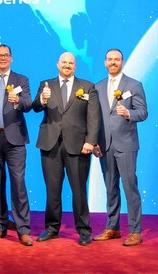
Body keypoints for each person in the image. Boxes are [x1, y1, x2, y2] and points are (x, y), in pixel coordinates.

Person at [32, 52, 100, 246]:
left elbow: (94, 117)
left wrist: (91, 141)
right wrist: (43, 99)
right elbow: (36, 107)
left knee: (79, 190)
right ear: (57, 64)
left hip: (78, 146)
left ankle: (84, 230)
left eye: (71, 63)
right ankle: (52, 228)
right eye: (64, 62)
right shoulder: (46, 85)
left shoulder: (87, 86)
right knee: (52, 190)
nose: (67, 65)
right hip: (50, 144)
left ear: (75, 66)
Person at [0, 44, 34, 246]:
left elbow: (28, 105)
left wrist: (17, 100)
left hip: (15, 140)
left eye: (6, 55)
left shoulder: (21, 80)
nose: (2, 58)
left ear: (11, 58)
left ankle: (23, 229)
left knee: (18, 183)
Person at [93, 49, 148, 246]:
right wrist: (95, 142)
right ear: (105, 62)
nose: (113, 62)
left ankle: (135, 231)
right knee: (110, 188)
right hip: (104, 145)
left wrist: (129, 114)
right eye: (110, 59)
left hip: (126, 144)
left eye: (116, 60)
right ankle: (112, 228)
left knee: (129, 187)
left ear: (122, 62)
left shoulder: (134, 85)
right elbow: (95, 118)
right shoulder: (98, 87)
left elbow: (143, 112)